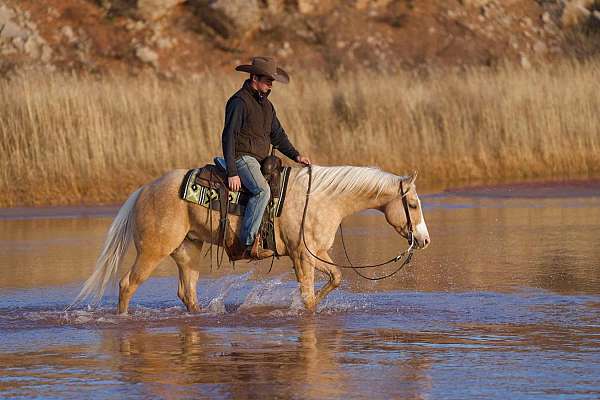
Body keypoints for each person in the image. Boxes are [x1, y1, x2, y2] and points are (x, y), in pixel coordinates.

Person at [220, 56, 311, 260]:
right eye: (267, 80)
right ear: (254, 77)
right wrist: (232, 172)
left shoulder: (267, 106)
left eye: (272, 82)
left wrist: (296, 155)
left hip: (260, 161)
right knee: (262, 191)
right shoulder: (239, 102)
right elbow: (229, 137)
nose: (271, 85)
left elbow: (278, 136)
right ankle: (247, 243)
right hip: (243, 158)